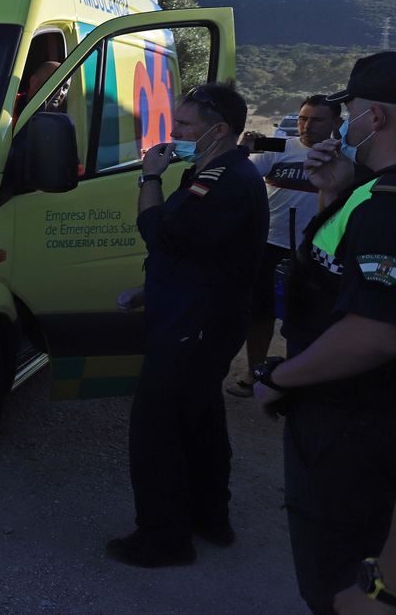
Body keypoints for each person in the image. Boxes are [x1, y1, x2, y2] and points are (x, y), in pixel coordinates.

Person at [251, 52, 396, 614]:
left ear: (375, 119)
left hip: (351, 423)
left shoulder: (386, 205)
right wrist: (331, 189)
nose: (344, 123)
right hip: (345, 416)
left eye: (351, 110)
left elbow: (378, 331)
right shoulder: (366, 190)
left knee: (336, 585)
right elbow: (336, 276)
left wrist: (279, 378)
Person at [106, 82, 268, 568]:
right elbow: (194, 255)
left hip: (194, 325)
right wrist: (149, 292)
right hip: (193, 316)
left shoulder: (224, 180)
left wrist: (148, 179)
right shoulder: (210, 172)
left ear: (218, 131)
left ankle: (163, 537)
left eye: (184, 126)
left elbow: (163, 236)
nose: (173, 133)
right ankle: (208, 517)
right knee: (199, 421)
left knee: (157, 429)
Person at [228, 95, 341, 396]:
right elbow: (244, 179)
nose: (307, 125)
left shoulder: (345, 156)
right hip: (269, 244)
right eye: (303, 118)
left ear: (335, 123)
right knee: (260, 313)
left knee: (306, 318)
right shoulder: (279, 147)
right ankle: (256, 373)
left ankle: (300, 378)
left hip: (316, 252)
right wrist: (244, 149)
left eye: (317, 120)